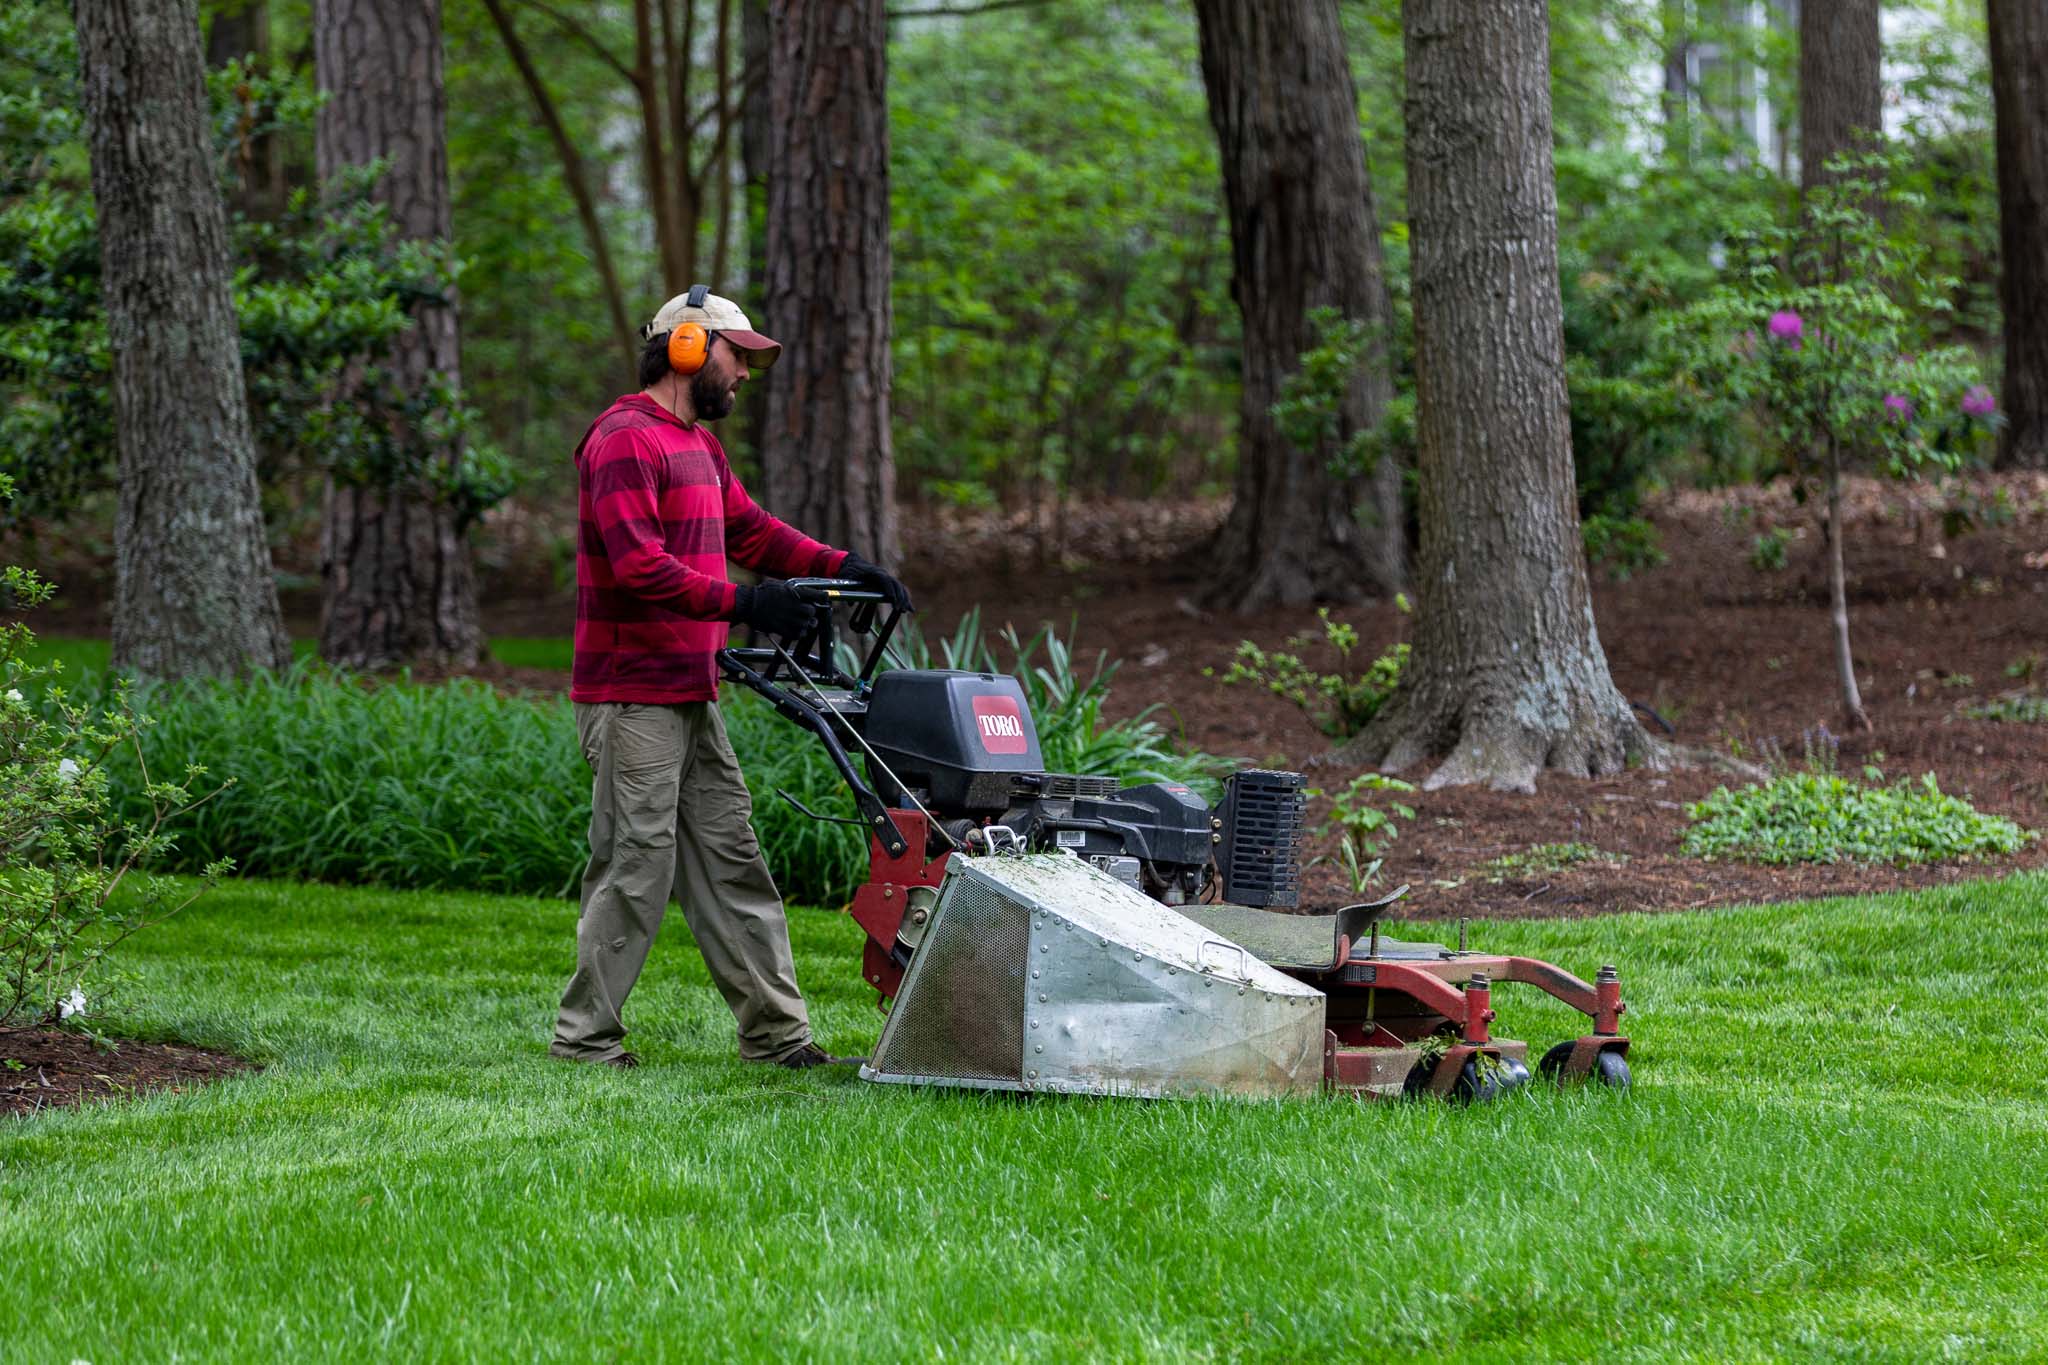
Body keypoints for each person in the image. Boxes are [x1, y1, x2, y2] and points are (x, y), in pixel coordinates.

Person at [551, 285, 912, 1070]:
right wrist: (747, 601)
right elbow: (641, 566)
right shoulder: (622, 440)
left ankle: (776, 1035)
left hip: (689, 688)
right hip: (630, 690)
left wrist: (845, 568)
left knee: (731, 857)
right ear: (687, 347)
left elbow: (751, 529)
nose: (745, 373)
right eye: (736, 355)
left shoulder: (700, 447)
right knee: (636, 867)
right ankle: (584, 1039)